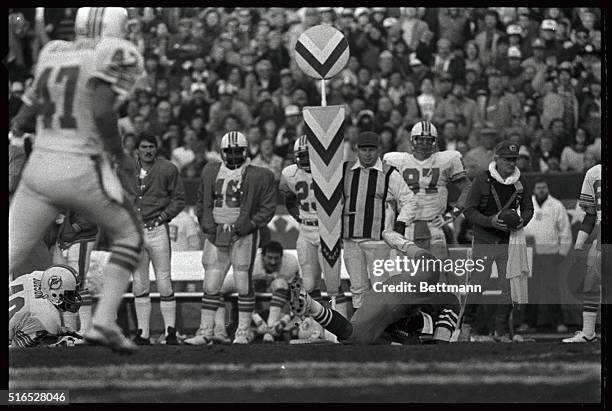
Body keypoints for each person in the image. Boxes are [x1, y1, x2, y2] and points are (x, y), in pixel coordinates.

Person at [9, 7, 144, 353]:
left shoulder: (52, 50)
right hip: (80, 164)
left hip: (39, 166)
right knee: (129, 235)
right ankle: (102, 322)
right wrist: (120, 154)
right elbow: (101, 111)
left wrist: (19, 141)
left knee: (10, 251)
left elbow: (24, 116)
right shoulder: (117, 53)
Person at [289, 231, 460, 345]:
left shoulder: (406, 330)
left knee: (354, 337)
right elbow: (440, 346)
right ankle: (400, 242)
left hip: (386, 297)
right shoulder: (447, 300)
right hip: (400, 298)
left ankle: (312, 305)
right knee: (432, 273)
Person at [186, 131, 276, 345]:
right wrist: (209, 227)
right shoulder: (210, 171)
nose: (234, 155)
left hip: (242, 234)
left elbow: (267, 208)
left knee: (243, 282)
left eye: (238, 151)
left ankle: (243, 332)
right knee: (211, 284)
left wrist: (247, 226)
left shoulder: (259, 175)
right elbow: (202, 202)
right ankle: (206, 331)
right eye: (230, 151)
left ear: (245, 152)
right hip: (217, 232)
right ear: (222, 152)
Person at [459, 141, 534, 342]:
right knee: (478, 284)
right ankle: (466, 326)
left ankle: (500, 331)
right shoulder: (482, 180)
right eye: (507, 159)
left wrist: (521, 221)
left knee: (509, 286)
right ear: (496, 160)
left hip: (508, 241)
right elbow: (469, 210)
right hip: (484, 239)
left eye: (514, 159)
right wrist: (489, 221)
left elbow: (528, 208)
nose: (511, 163)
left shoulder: (521, 182)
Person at [342, 131, 416, 310]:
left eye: (372, 149)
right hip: (351, 239)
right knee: (358, 288)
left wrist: (401, 222)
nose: (368, 154)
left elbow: (409, 199)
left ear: (379, 150)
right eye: (364, 149)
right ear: (356, 150)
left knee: (381, 288)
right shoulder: (345, 170)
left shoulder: (389, 172)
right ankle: (361, 330)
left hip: (378, 241)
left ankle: (382, 330)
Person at [124, 133, 186, 345]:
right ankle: (143, 333)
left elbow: (179, 199)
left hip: (158, 228)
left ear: (156, 149)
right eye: (144, 147)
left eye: (151, 146)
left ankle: (170, 330)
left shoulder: (168, 169)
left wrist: (163, 216)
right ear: (137, 150)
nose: (148, 150)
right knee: (139, 282)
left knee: (164, 280)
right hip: (136, 230)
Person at [279, 136, 349, 318]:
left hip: (328, 230)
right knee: (309, 284)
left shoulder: (333, 171)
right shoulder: (290, 173)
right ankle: (318, 327)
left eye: (309, 155)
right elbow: (289, 199)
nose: (305, 160)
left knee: (333, 283)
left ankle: (341, 325)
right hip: (305, 231)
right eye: (302, 156)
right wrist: (299, 216)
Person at [383, 121, 471, 262]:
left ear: (435, 142)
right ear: (413, 140)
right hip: (406, 226)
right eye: (420, 139)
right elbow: (388, 199)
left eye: (428, 140)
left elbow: (468, 189)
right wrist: (389, 226)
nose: (424, 144)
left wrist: (451, 215)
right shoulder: (396, 161)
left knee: (438, 275)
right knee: (407, 276)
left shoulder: (446, 160)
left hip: (435, 226)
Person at [215, 241, 300, 343]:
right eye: (270, 257)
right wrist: (258, 320)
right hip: (246, 283)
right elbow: (245, 291)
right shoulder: (253, 263)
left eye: (276, 258)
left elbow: (297, 293)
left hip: (276, 287)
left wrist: (285, 319)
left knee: (280, 284)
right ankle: (219, 331)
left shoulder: (290, 263)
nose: (273, 262)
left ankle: (270, 328)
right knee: (217, 287)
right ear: (262, 256)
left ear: (282, 257)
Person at [521, 179, 572, 333]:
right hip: (530, 254)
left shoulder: (556, 205)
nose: (541, 190)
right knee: (531, 290)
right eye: (539, 187)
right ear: (534, 189)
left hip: (551, 254)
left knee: (552, 290)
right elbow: (518, 227)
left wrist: (562, 253)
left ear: (548, 188)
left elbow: (565, 231)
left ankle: (558, 322)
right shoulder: (525, 205)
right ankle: (528, 323)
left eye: (544, 187)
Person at [563, 164, 601, 343]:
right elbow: (591, 215)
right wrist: (579, 245)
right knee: (591, 281)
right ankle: (588, 333)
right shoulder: (594, 173)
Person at [10, 265, 83, 348]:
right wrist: (58, 342)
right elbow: (19, 348)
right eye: (70, 294)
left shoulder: (38, 276)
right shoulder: (47, 318)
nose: (73, 297)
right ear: (54, 293)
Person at [51, 211, 98, 335]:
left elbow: (91, 210)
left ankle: (86, 330)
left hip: (81, 237)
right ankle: (69, 329)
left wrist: (72, 229)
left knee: (78, 282)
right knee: (63, 285)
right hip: (63, 238)